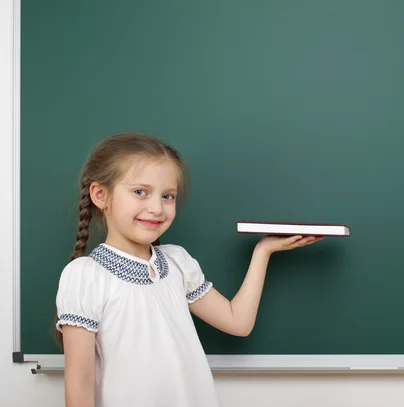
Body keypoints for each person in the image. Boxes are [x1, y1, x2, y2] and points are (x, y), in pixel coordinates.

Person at [54, 132, 322, 407]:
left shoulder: (177, 263)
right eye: (140, 192)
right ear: (101, 195)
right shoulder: (86, 276)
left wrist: (263, 251)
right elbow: (80, 383)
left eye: (168, 196)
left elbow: (238, 322)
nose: (157, 208)